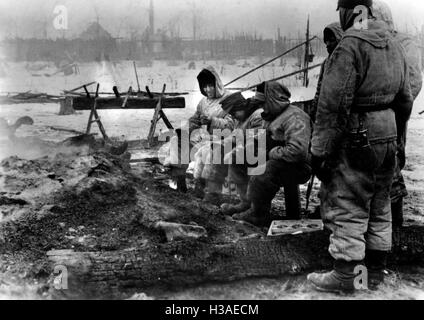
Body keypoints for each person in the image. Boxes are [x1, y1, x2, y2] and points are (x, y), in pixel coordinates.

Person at [307, 0, 413, 293]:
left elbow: (332, 107)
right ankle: (374, 273)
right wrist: (398, 139)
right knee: (380, 203)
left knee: (349, 202)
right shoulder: (392, 43)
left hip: (357, 135)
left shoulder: (349, 46)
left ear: (349, 11)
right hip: (388, 134)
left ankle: (346, 275)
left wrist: (319, 151)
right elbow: (405, 99)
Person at [232, 81, 312, 227]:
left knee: (262, 172)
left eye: (263, 103)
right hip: (276, 159)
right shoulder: (272, 116)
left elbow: (297, 152)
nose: (261, 107)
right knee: (238, 158)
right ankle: (247, 203)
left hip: (297, 166)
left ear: (273, 100)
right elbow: (264, 137)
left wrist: (271, 152)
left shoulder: (295, 117)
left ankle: (258, 214)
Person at [372, 0, 423, 228]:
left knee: (392, 165)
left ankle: (396, 225)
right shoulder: (368, 43)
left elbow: (413, 80)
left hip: (394, 116)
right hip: (369, 119)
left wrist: (394, 109)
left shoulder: (405, 43)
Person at [170, 66, 234, 193]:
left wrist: (212, 121)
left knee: (206, 152)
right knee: (178, 141)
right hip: (203, 138)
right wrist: (184, 130)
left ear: (217, 83)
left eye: (210, 86)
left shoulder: (229, 99)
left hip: (222, 140)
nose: (207, 90)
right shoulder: (203, 102)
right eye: (204, 87)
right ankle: (180, 181)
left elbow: (231, 125)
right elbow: (195, 120)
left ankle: (203, 188)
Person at [200, 89, 266, 213]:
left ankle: (247, 202)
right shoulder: (241, 118)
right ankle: (212, 193)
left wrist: (235, 148)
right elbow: (236, 136)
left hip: (260, 155)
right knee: (218, 151)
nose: (233, 115)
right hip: (246, 150)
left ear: (241, 107)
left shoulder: (257, 116)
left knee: (234, 157)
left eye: (234, 112)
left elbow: (257, 143)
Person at [311, 23, 344, 122]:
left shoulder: (348, 62)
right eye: (326, 41)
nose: (328, 44)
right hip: (326, 114)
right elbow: (320, 89)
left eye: (332, 40)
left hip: (342, 116)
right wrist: (314, 108)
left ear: (340, 40)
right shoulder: (326, 63)